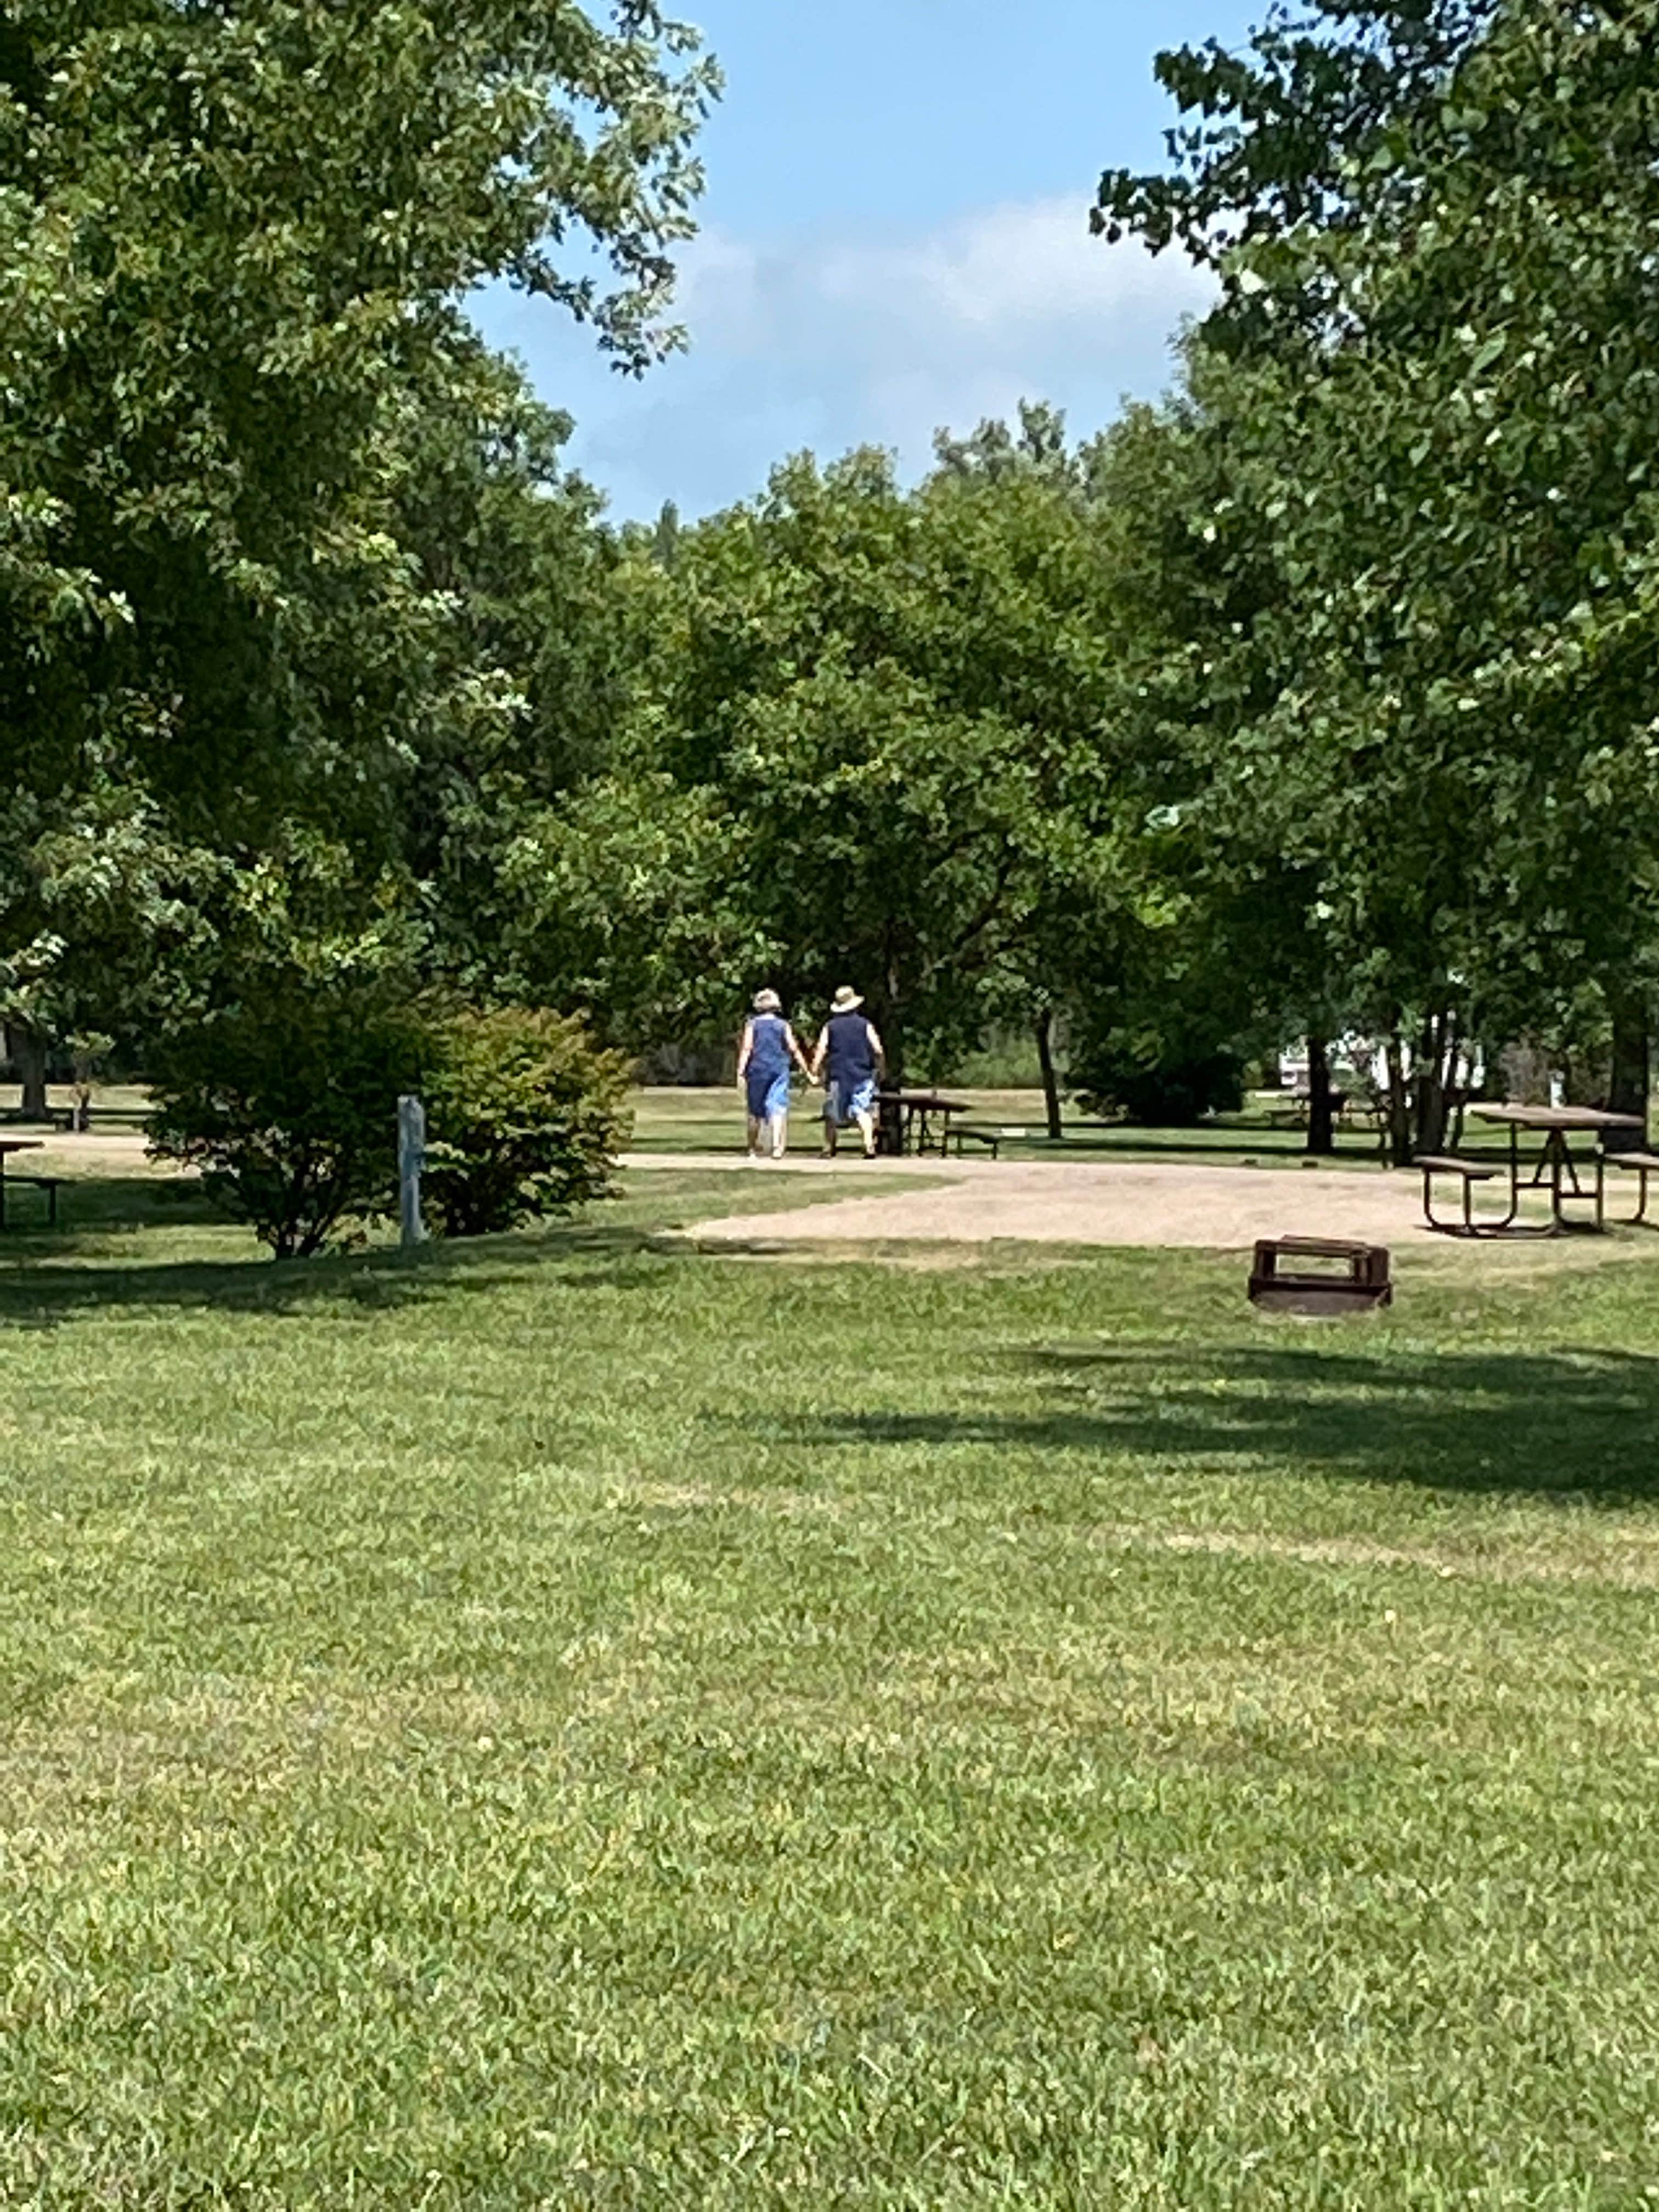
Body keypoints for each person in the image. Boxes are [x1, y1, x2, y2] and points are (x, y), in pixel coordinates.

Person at [735, 988, 814, 1159]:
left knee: (754, 1111)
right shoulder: (783, 1025)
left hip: (757, 1070)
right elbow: (793, 1048)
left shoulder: (752, 1024)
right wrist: (806, 1069)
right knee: (778, 1108)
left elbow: (747, 1048)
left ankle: (752, 1148)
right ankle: (777, 1148)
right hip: (778, 1069)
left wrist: (741, 1070)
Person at [811, 986, 886, 1158]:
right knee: (862, 1110)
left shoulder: (830, 1027)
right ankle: (868, 1145)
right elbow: (878, 1049)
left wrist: (815, 1069)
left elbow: (821, 1049)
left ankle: (829, 1147)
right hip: (863, 1074)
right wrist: (881, 1069)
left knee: (832, 1113)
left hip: (838, 1075)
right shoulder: (865, 1025)